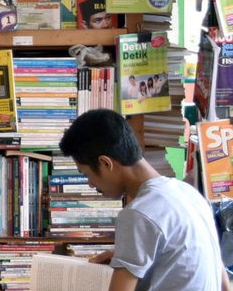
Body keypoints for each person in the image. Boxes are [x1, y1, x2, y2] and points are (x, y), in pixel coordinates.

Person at [58, 109, 231, 291]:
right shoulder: (189, 194)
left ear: (105, 163)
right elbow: (221, 279)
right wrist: (126, 257)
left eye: (87, 175)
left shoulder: (138, 212)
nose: (91, 184)